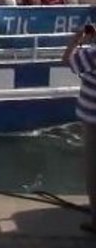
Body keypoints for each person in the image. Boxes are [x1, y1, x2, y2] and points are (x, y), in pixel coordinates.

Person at [64, 23, 96, 235]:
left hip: (93, 119)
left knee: (93, 173)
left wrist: (76, 40)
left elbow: (67, 61)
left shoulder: (93, 55)